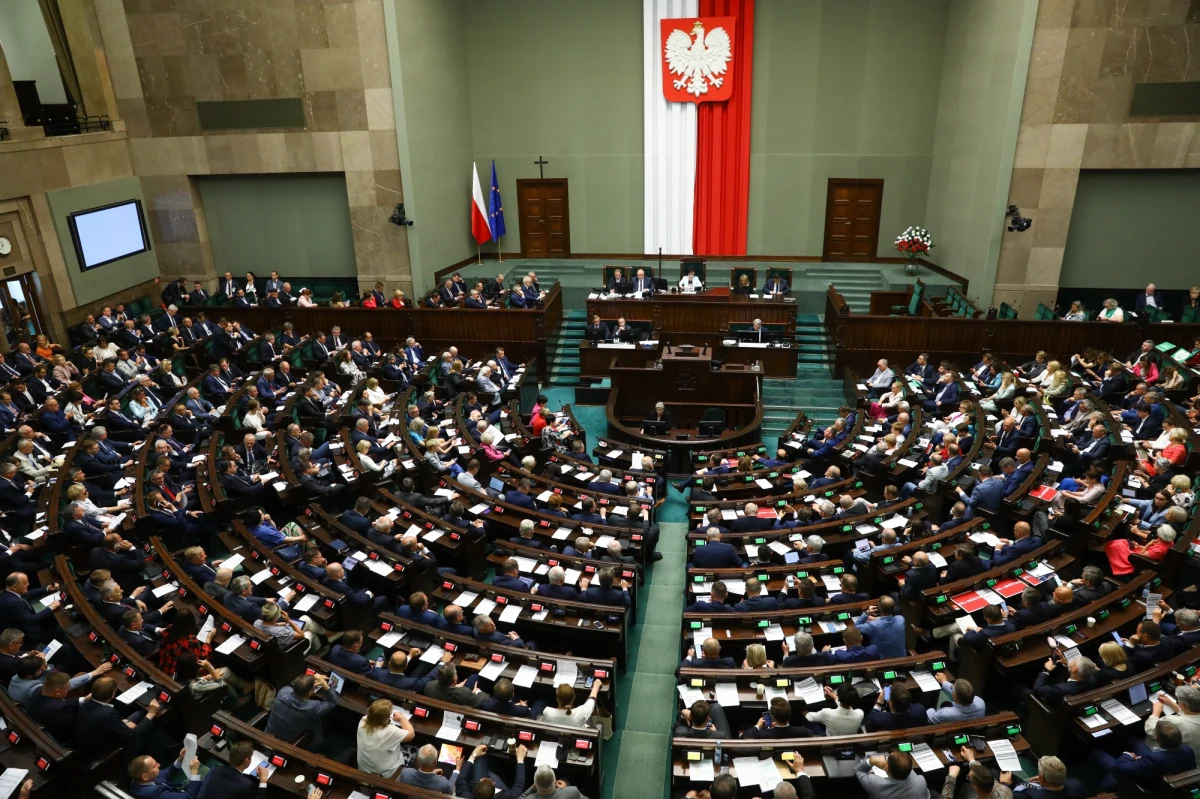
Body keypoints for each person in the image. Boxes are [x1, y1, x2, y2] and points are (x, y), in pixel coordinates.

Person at [1092, 718, 1195, 792]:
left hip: (1149, 784)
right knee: (1134, 741)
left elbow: (1121, 768)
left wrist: (1128, 755)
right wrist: (1141, 759)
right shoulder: (1187, 749)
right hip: (1162, 770)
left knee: (1096, 753)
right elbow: (1162, 757)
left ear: (1157, 740)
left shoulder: (1155, 759)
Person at [264, 673, 340, 748]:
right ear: (310, 692)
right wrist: (324, 684)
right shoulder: (312, 707)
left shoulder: (283, 691)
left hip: (267, 736)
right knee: (315, 721)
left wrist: (309, 680)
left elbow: (294, 686)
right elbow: (332, 701)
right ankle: (316, 743)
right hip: (286, 742)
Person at [356, 698, 415, 777]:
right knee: (415, 749)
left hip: (364, 770)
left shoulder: (363, 721)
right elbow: (411, 735)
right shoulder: (388, 731)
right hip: (387, 775)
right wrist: (401, 717)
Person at [127, 750, 204, 799]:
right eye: (154, 766)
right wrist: (194, 772)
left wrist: (180, 759)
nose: (159, 765)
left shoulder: (141, 779)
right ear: (145, 776)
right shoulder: (154, 794)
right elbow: (189, 796)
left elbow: (167, 773)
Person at [855, 749, 928, 799]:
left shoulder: (875, 784)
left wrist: (871, 761)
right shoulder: (921, 781)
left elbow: (858, 770)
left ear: (887, 767)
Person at [742, 696, 811, 739]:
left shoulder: (761, 734)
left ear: (773, 718)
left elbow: (744, 737)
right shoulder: (804, 732)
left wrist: (757, 726)